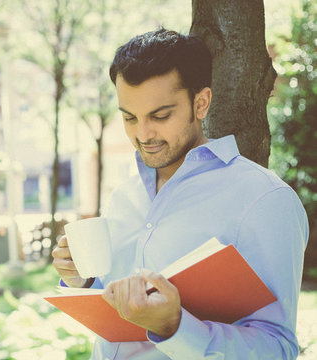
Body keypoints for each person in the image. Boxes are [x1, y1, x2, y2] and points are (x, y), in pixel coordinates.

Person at [52, 28, 308, 359]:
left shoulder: (264, 199)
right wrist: (84, 281)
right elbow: (120, 309)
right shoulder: (124, 197)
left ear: (200, 103)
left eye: (160, 116)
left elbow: (278, 348)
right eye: (130, 118)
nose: (143, 134)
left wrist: (175, 326)